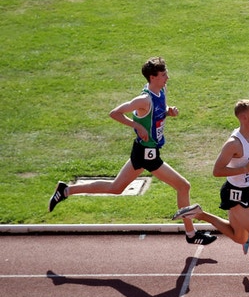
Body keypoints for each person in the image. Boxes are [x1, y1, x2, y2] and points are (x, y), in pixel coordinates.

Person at [48, 57, 215, 245]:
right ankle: (191, 234)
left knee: (116, 188)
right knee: (183, 186)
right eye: (163, 74)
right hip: (147, 153)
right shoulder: (143, 99)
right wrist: (137, 126)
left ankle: (66, 191)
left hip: (144, 151)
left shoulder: (161, 91)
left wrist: (169, 111)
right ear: (152, 77)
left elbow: (158, 111)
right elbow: (115, 113)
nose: (167, 77)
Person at [172, 100, 249, 293]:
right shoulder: (234, 143)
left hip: (242, 190)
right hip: (236, 193)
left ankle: (200, 214)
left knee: (240, 238)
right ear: (244, 117)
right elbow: (217, 171)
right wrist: (247, 169)